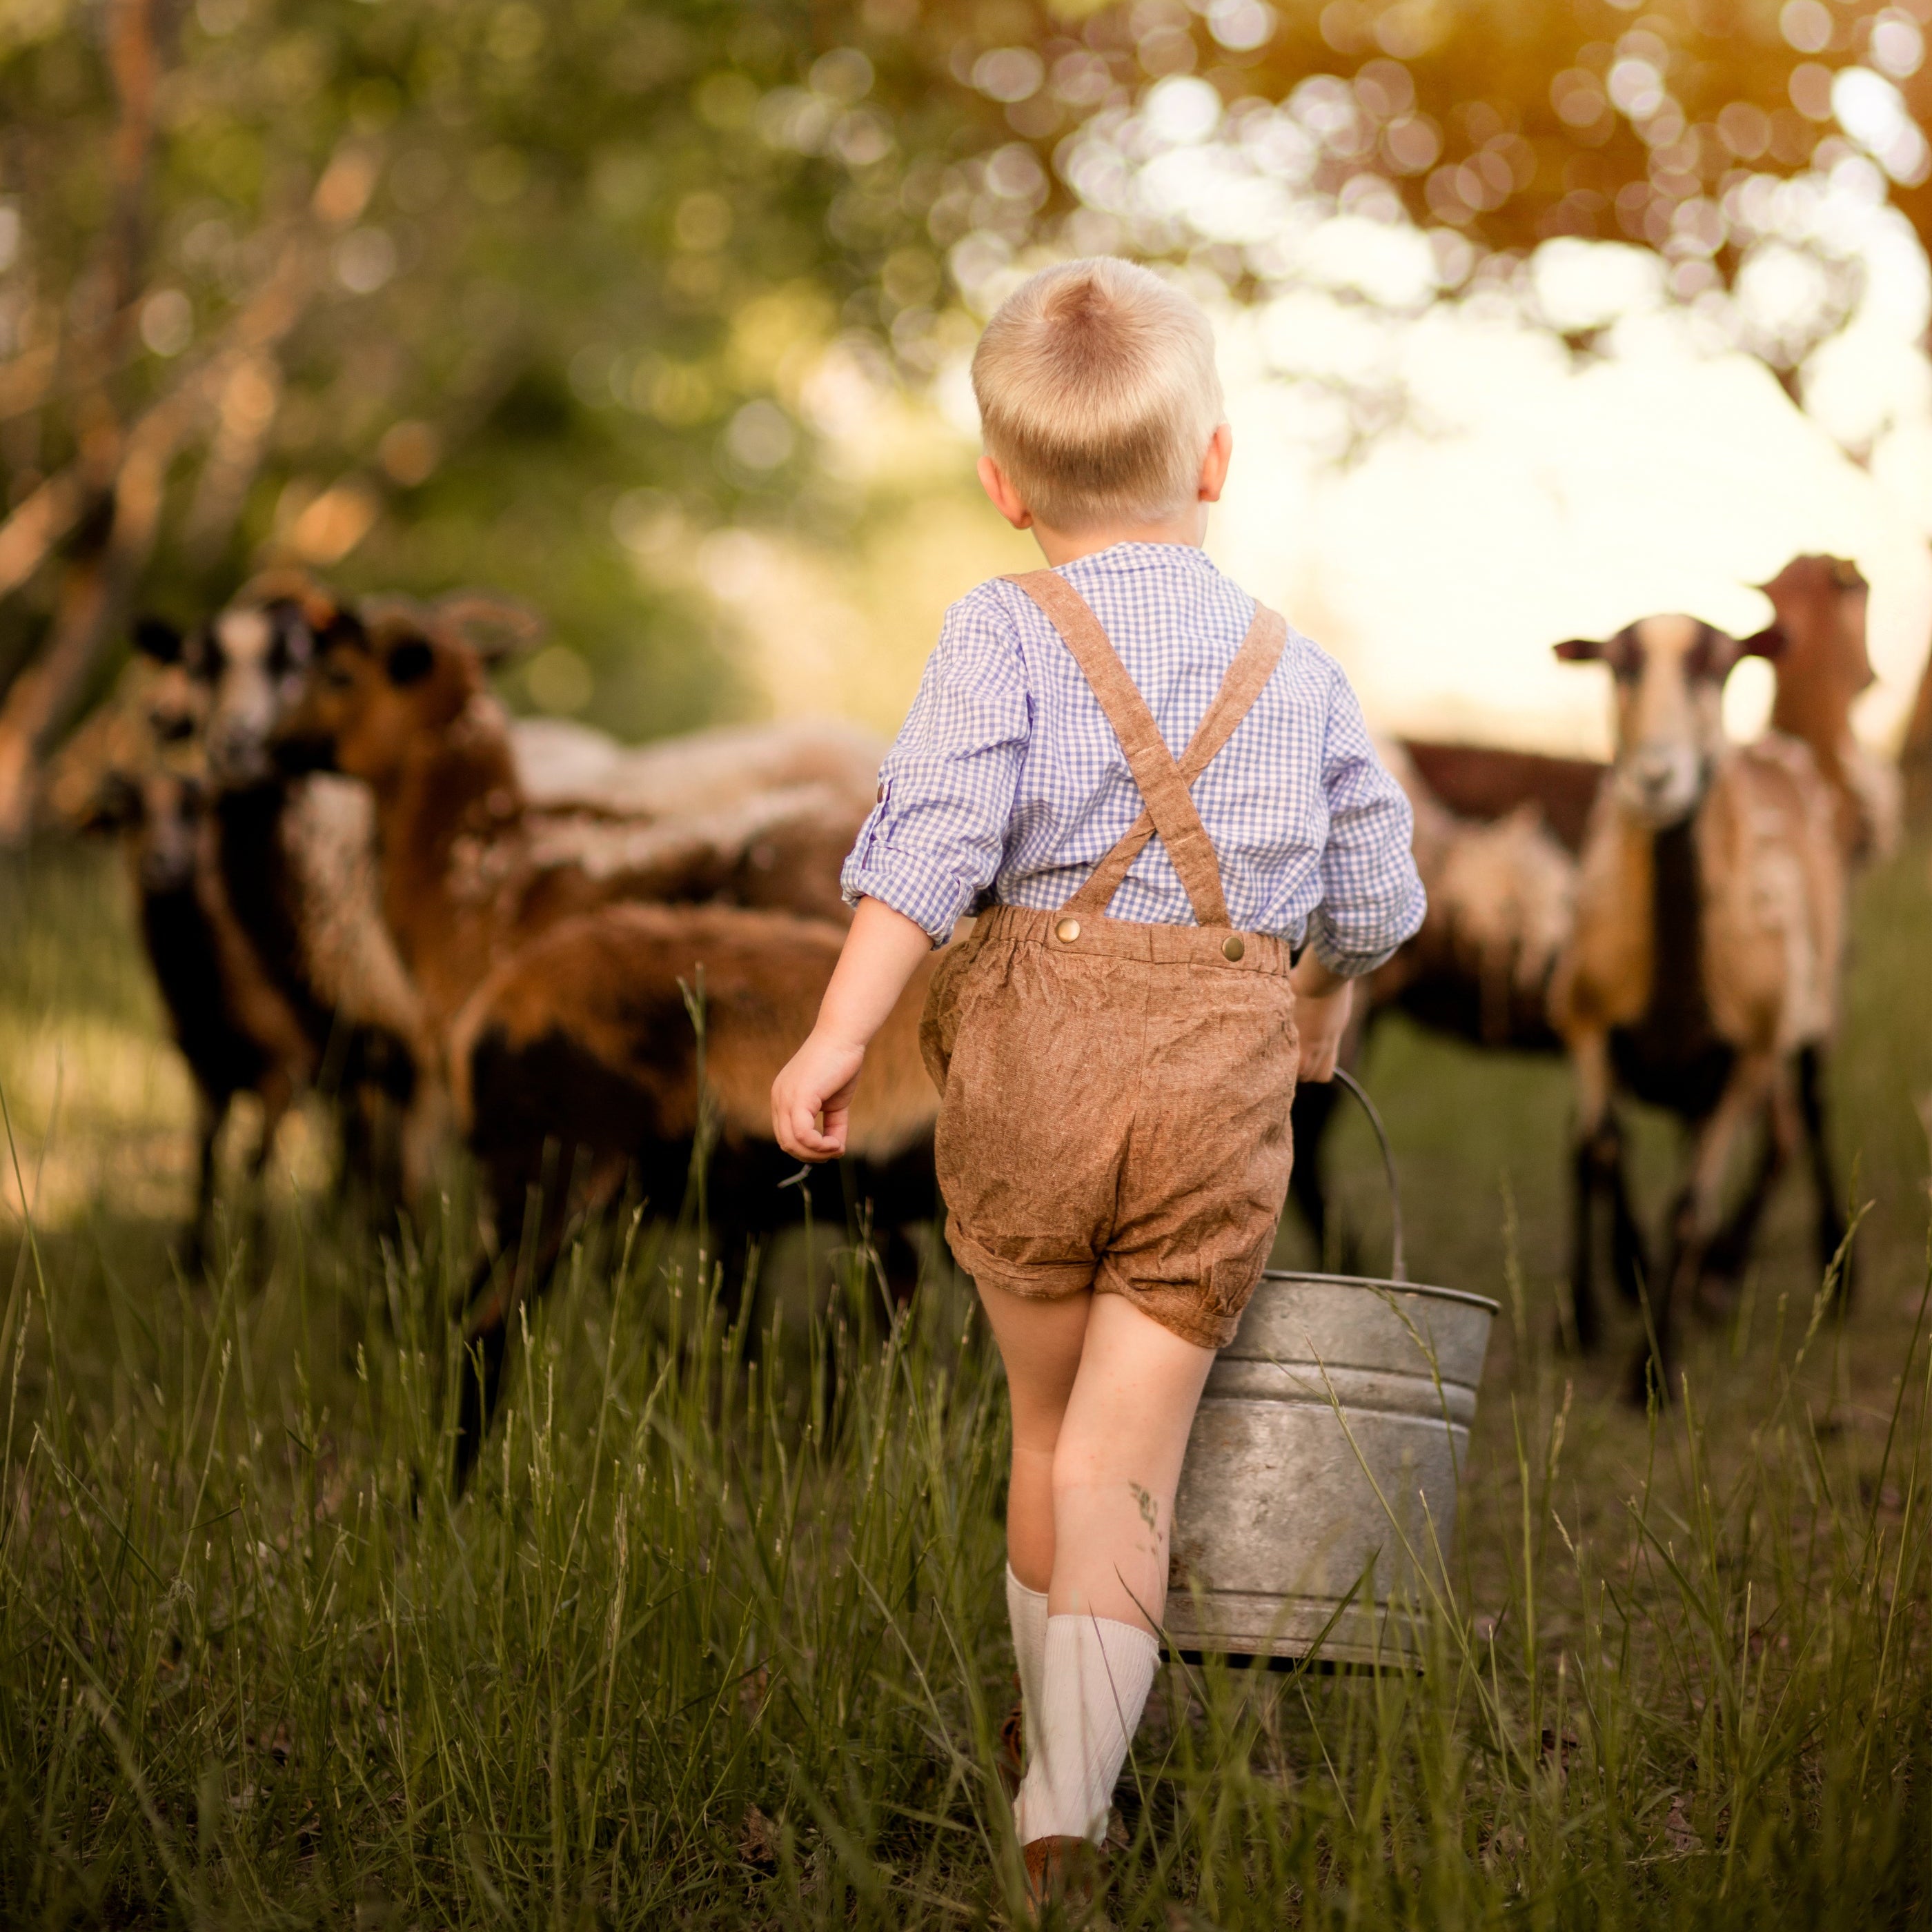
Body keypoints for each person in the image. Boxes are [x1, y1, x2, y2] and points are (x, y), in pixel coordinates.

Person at [771, 257, 1424, 1904]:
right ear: (1214, 461)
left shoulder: (997, 627)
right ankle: (1066, 1807)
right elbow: (1372, 900)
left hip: (1026, 1088)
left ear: (1001, 487)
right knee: (1130, 1464)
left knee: (1046, 1431)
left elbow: (925, 847)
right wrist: (1318, 1010)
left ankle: (1049, 1753)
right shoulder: (1299, 666)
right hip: (1214, 1099)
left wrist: (838, 1033)